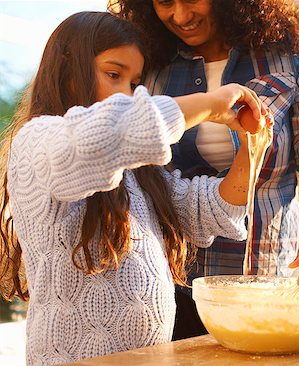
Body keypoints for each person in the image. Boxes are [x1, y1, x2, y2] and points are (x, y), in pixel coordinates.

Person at [0, 11, 272, 365]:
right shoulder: (36, 142)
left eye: (133, 83)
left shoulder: (136, 171)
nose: (128, 94)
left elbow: (208, 210)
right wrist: (209, 104)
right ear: (68, 74)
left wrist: (253, 149)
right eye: (113, 74)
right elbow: (100, 137)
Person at [111, 0, 299, 340]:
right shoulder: (149, 62)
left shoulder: (289, 56)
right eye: (165, 1)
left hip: (267, 279)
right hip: (172, 282)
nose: (180, 16)